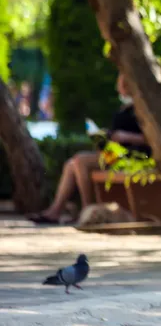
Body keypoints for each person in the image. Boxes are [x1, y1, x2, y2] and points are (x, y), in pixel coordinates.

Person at [26, 73, 151, 225]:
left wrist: (126, 136)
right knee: (71, 164)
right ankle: (55, 211)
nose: (120, 89)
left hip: (133, 157)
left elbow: (151, 139)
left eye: (123, 85)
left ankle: (87, 211)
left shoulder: (144, 109)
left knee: (79, 161)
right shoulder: (125, 107)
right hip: (116, 153)